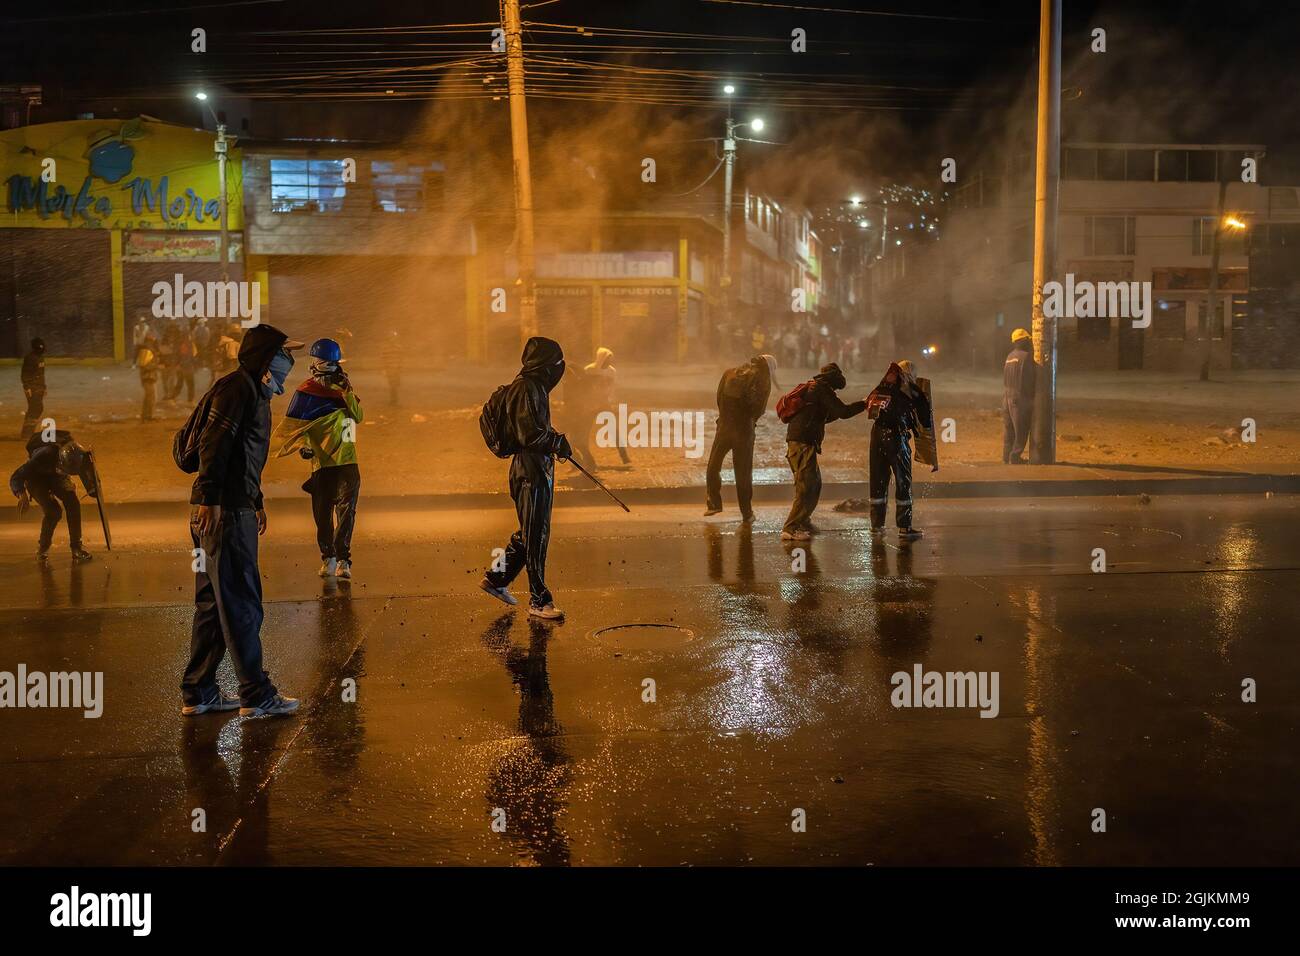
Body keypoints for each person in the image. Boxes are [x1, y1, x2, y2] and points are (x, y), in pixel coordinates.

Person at [182, 324, 304, 718]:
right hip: (224, 513)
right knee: (240, 603)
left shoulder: (252, 391)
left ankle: (199, 690)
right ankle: (256, 694)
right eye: (285, 354)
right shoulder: (238, 389)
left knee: (214, 604)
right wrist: (213, 499)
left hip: (232, 505)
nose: (291, 362)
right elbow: (213, 444)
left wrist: (257, 499)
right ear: (267, 359)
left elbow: (243, 457)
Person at [479, 336, 571, 621]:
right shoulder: (527, 388)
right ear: (545, 365)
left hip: (535, 468)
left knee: (529, 530)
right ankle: (539, 599)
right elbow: (528, 435)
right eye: (556, 363)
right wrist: (557, 442)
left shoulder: (534, 387)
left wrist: (554, 442)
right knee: (535, 535)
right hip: (529, 471)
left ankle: (496, 578)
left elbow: (533, 428)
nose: (559, 369)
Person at [272, 338, 364, 580]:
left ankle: (344, 559)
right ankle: (328, 557)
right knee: (323, 514)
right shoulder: (305, 392)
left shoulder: (344, 388)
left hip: (347, 460)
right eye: (319, 360)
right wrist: (304, 447)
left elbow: (358, 416)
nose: (320, 364)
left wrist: (347, 392)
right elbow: (296, 428)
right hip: (322, 463)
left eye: (325, 360)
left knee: (347, 512)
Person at [780, 362, 866, 541]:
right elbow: (843, 412)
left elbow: (828, 415)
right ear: (833, 376)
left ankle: (803, 521)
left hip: (804, 442)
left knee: (814, 484)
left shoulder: (817, 388)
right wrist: (865, 404)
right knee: (806, 487)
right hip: (802, 443)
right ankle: (790, 527)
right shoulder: (821, 389)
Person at [705, 354, 778, 521]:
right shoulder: (763, 380)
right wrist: (749, 423)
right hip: (744, 431)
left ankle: (714, 503)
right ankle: (747, 513)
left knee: (713, 465)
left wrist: (725, 418)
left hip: (724, 427)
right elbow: (758, 409)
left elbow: (718, 398)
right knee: (743, 473)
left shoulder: (729, 372)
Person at [867, 359, 933, 540]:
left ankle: (877, 526)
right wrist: (921, 398)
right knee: (903, 481)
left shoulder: (882, 387)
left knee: (878, 480)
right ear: (910, 374)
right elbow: (926, 421)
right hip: (897, 437)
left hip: (876, 436)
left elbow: (870, 408)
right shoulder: (910, 390)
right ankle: (905, 528)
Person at [9, 429, 97, 563]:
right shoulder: (43, 456)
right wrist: (22, 495)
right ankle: (43, 548)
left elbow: (89, 481)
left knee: (73, 503)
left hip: (57, 476)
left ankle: (76, 548)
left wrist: (92, 486)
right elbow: (16, 477)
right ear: (60, 460)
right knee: (53, 511)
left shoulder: (78, 456)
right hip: (36, 478)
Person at [1003, 327, 1037, 464]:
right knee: (1021, 429)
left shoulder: (1010, 356)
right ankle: (1015, 457)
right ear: (1023, 341)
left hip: (1006, 396)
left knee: (1009, 428)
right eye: (1028, 340)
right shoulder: (1026, 356)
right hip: (1018, 396)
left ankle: (1006, 456)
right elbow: (1029, 379)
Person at [19, 337, 46, 440]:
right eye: (39, 347)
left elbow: (41, 373)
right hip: (32, 387)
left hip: (39, 387)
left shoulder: (40, 358)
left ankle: (27, 432)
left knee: (36, 409)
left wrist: (44, 387)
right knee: (36, 408)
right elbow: (25, 373)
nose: (41, 348)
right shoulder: (30, 358)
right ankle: (27, 434)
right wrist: (27, 387)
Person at [138, 340, 160, 422]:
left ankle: (148, 415)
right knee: (149, 397)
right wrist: (156, 365)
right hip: (147, 378)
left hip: (150, 378)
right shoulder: (145, 352)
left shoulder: (150, 352)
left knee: (151, 397)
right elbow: (145, 366)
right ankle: (146, 416)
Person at [381, 330, 403, 405]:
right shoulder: (390, 348)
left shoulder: (397, 348)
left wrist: (400, 368)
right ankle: (394, 399)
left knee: (394, 384)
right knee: (393, 384)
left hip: (394, 369)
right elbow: (384, 359)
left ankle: (394, 399)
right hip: (391, 369)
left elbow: (400, 359)